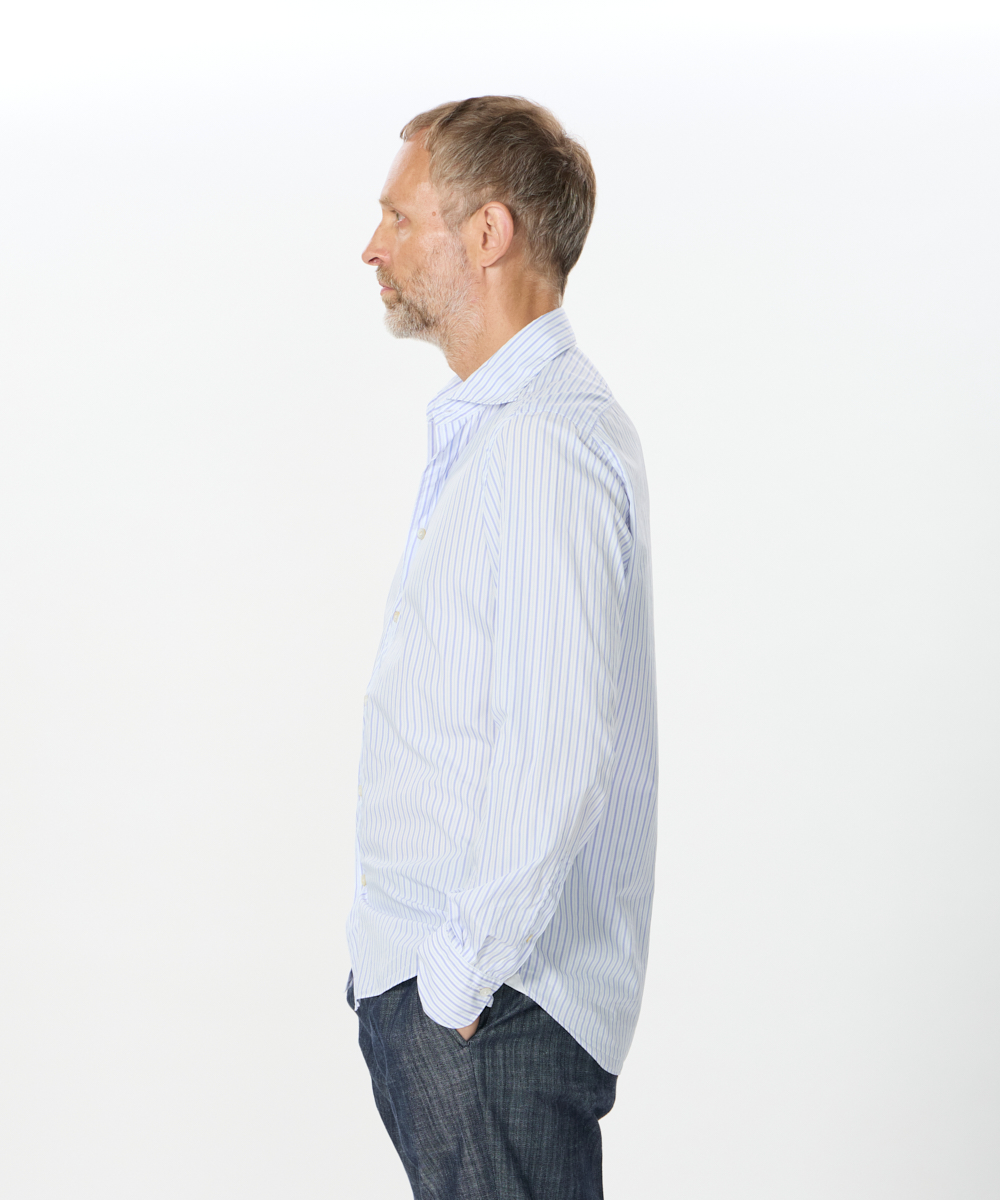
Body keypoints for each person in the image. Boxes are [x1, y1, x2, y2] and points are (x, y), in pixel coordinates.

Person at [346, 96, 657, 1200]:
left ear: (488, 233)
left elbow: (555, 747)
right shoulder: (506, 429)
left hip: (496, 1013)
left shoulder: (541, 442)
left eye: (399, 216)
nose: (372, 246)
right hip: (473, 1008)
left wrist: (456, 982)